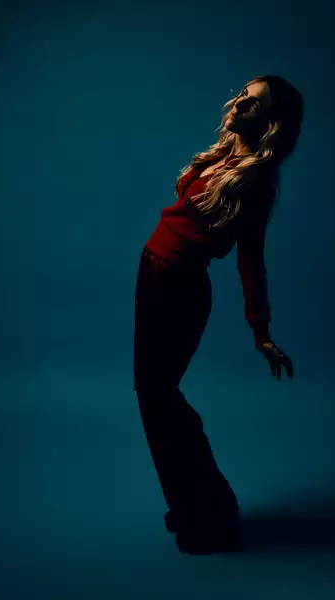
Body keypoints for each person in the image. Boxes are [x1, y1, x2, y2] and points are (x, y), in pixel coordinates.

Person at [133, 75, 303, 554]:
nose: (239, 103)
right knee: (155, 398)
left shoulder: (256, 181)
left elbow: (251, 257)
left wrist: (260, 330)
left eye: (253, 104)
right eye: (242, 95)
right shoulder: (225, 156)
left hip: (178, 287)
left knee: (158, 398)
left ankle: (208, 512)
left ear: (271, 124)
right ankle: (196, 506)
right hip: (154, 275)